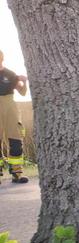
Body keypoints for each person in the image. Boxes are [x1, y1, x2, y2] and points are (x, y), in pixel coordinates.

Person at [0, 50, 29, 183]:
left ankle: (17, 173)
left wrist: (23, 81)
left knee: (16, 140)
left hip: (10, 106)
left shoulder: (10, 74)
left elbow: (22, 92)